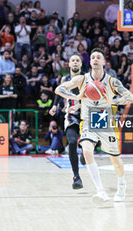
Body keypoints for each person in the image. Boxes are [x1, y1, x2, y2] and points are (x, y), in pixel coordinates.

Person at [55, 48, 133, 204]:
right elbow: (60, 89)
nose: (95, 59)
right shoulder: (82, 79)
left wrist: (114, 101)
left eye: (99, 57)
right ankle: (101, 191)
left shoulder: (112, 82)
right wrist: (77, 97)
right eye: (93, 57)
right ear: (90, 62)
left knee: (115, 160)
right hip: (88, 122)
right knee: (86, 151)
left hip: (106, 123)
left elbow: (130, 97)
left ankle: (121, 184)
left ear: (104, 62)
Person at [49, 54, 85, 189]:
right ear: (69, 64)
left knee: (88, 144)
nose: (75, 63)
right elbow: (59, 92)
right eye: (73, 61)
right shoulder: (65, 79)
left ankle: (85, 154)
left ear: (81, 64)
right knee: (71, 142)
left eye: (77, 60)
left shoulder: (87, 78)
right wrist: (55, 106)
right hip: (71, 114)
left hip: (86, 115)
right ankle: (76, 177)